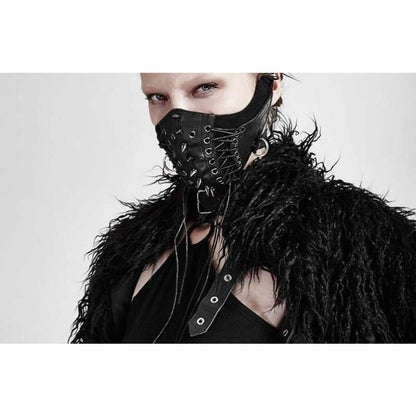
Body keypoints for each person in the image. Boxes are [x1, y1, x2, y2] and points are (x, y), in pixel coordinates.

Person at [68, 73, 416, 343]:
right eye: (157, 97)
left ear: (270, 84)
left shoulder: (357, 245)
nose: (177, 118)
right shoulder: (132, 251)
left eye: (205, 87)